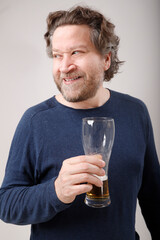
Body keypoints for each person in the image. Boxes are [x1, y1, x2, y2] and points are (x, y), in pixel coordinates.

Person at [0, 5, 160, 240]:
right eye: (57, 55)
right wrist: (55, 191)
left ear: (106, 59)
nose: (65, 67)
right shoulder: (35, 121)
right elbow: (7, 205)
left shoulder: (135, 112)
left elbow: (153, 198)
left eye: (76, 52)